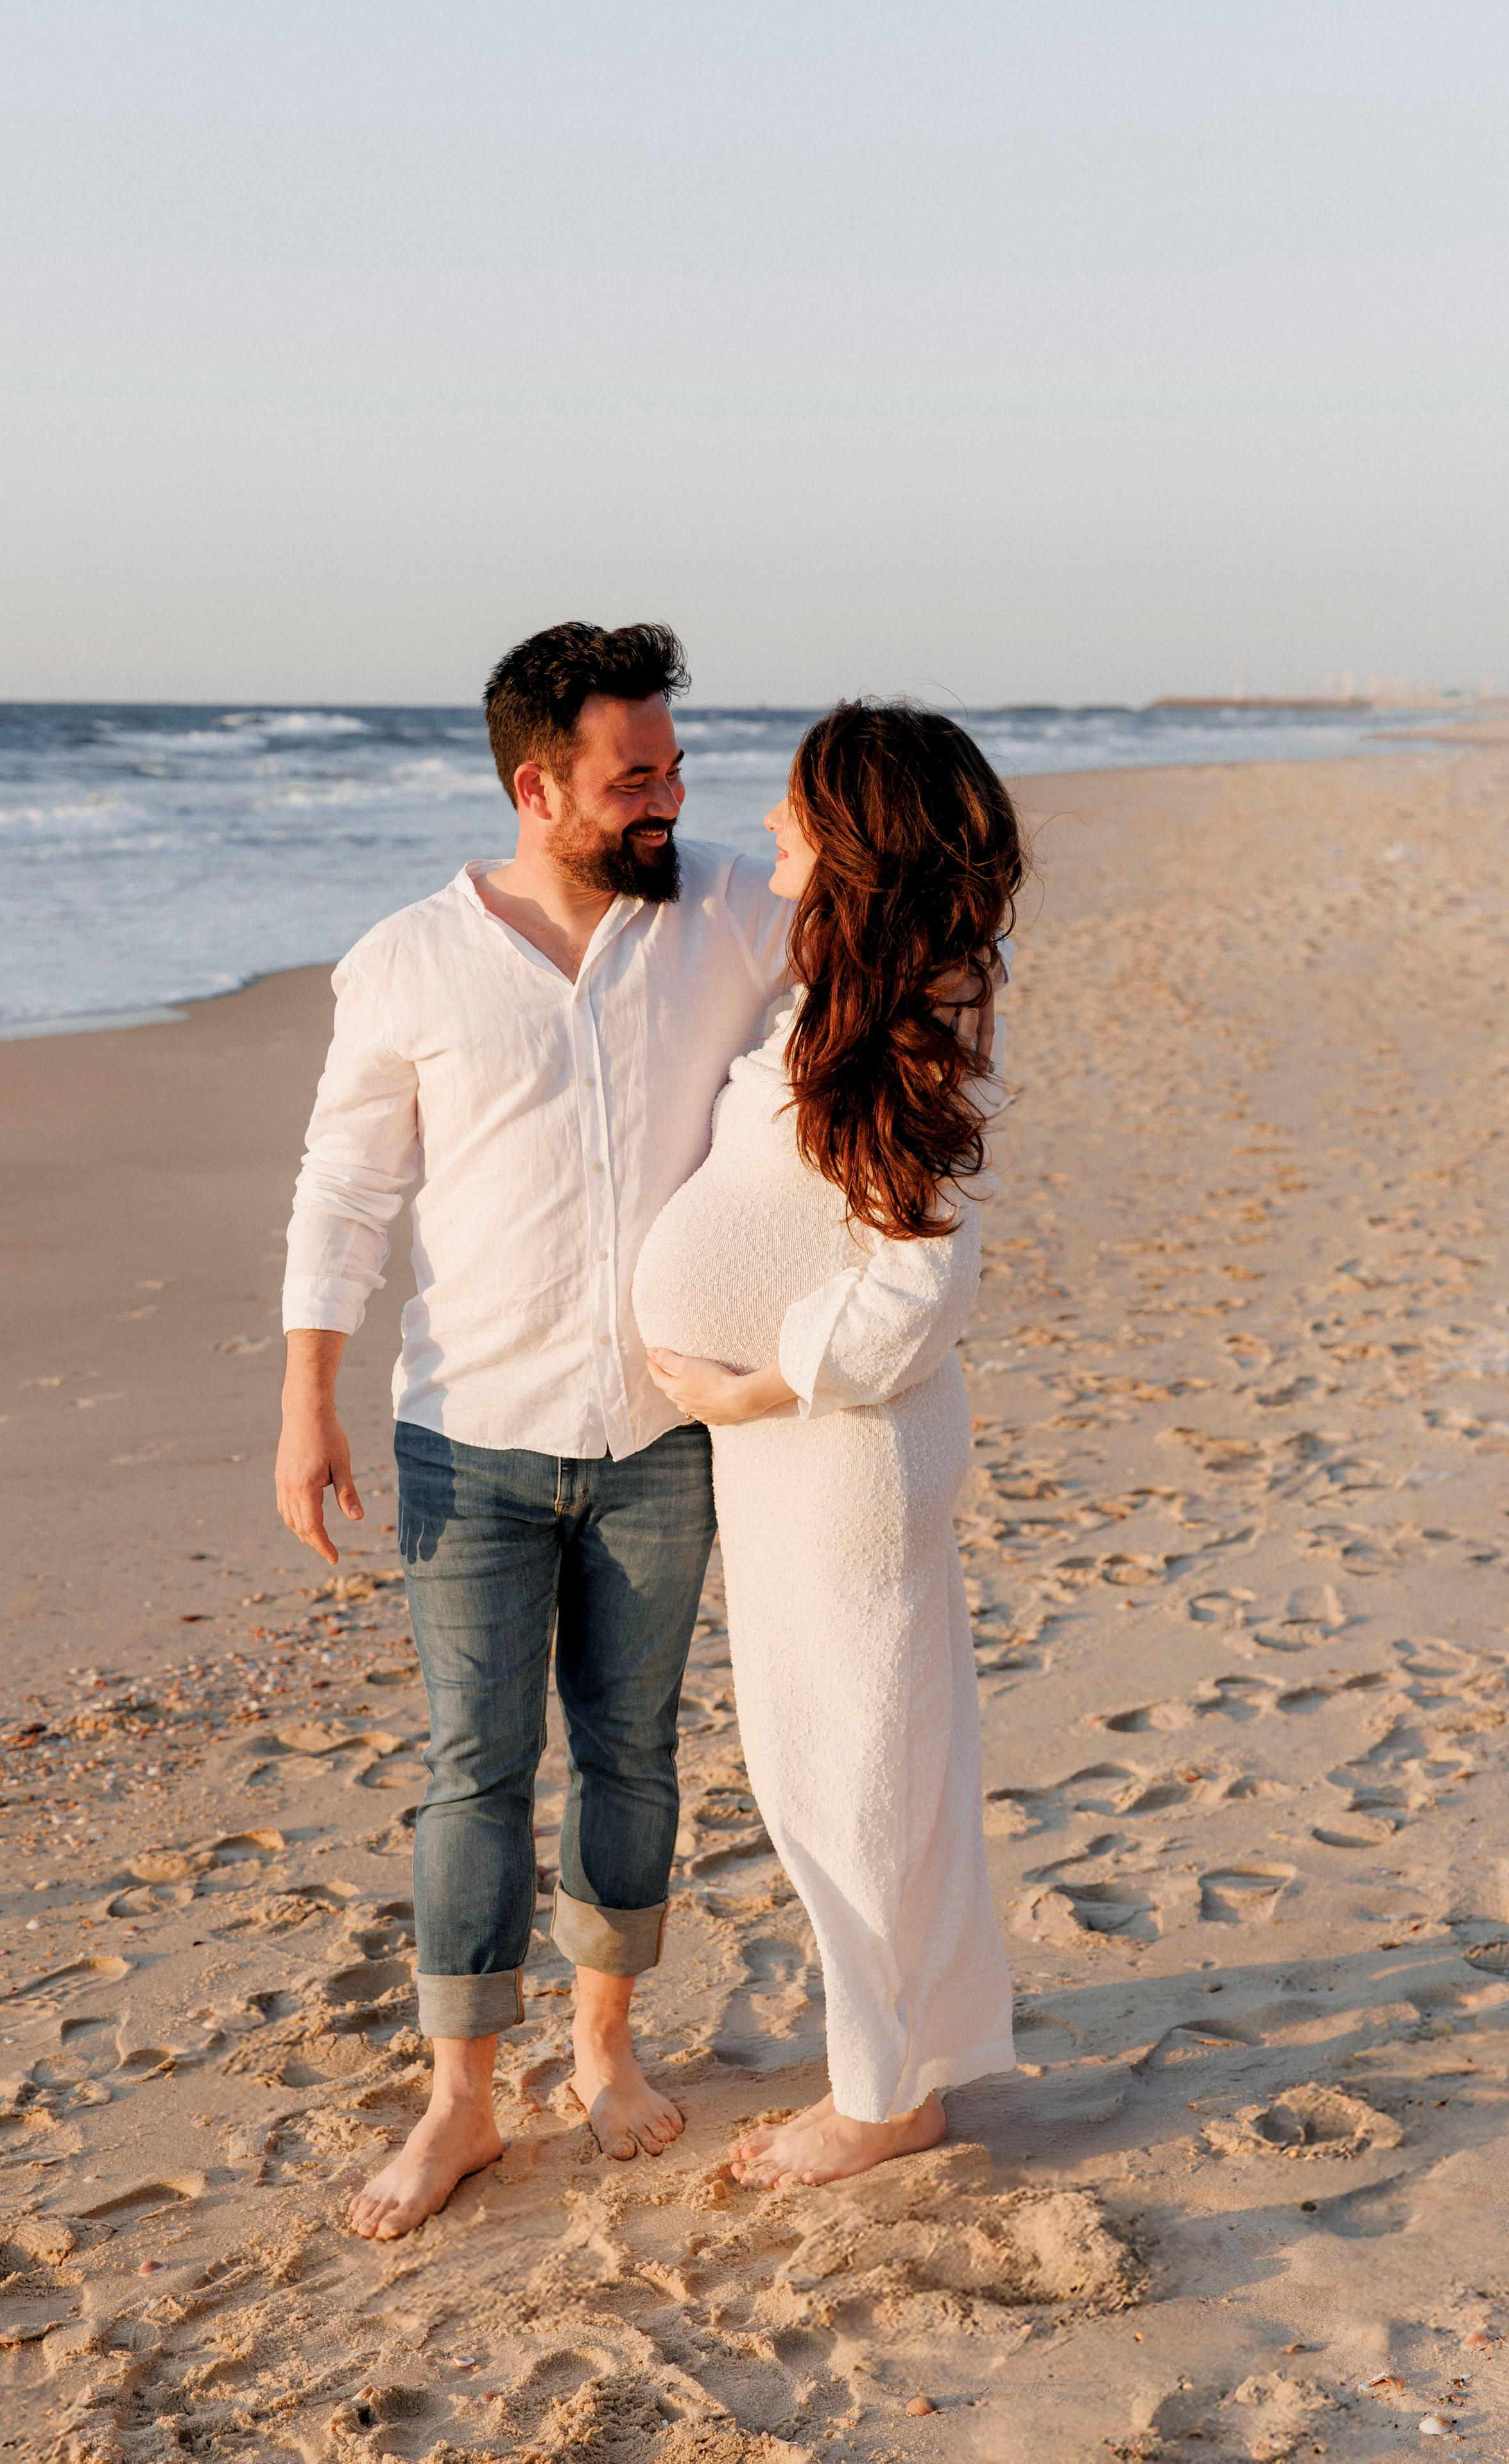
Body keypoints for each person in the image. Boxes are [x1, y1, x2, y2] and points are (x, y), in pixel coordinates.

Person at [275, 621, 789, 2238]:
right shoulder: (408, 962)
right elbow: (346, 1189)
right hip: (465, 1438)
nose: (669, 799)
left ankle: (604, 2054)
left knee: (632, 1757)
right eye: (633, 777)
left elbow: (881, 980)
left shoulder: (729, 910)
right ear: (537, 785)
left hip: (665, 1429)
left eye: (674, 769)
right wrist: (306, 1400)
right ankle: (458, 2108)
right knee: (473, 1771)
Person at [634, 699, 1024, 2187]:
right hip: (807, 1448)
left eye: (799, 810)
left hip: (837, 1444)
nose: (774, 830)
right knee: (865, 1765)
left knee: (844, 1775)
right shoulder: (856, 991)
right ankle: (907, 2059)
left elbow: (919, 1284)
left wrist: (756, 1385)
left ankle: (880, 2102)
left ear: (856, 839)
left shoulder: (913, 1009)